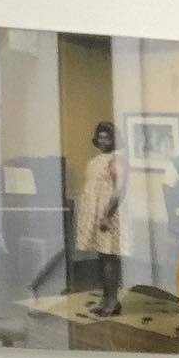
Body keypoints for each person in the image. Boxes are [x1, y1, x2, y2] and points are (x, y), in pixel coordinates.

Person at [75, 119, 129, 317]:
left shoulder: (116, 160)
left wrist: (107, 215)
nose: (103, 141)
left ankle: (112, 301)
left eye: (107, 138)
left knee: (109, 258)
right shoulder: (97, 160)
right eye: (100, 137)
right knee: (102, 257)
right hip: (95, 213)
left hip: (107, 214)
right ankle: (106, 299)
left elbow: (120, 190)